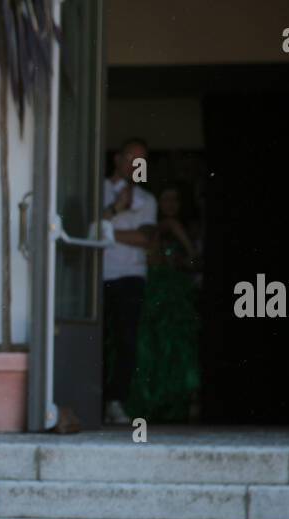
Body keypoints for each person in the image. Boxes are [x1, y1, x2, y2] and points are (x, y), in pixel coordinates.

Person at [130, 183, 201, 423]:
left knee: (171, 345)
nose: (170, 205)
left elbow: (193, 259)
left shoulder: (173, 226)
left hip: (171, 290)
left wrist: (177, 260)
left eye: (175, 200)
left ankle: (171, 403)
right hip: (156, 287)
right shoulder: (155, 226)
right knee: (156, 344)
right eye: (166, 199)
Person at [100, 137, 157, 425]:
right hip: (99, 276)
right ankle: (92, 400)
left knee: (126, 341)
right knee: (97, 340)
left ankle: (115, 400)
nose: (136, 165)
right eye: (132, 158)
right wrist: (115, 211)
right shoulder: (97, 190)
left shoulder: (147, 200)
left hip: (131, 277)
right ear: (118, 160)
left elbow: (145, 238)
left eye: (141, 160)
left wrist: (107, 233)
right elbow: (87, 228)